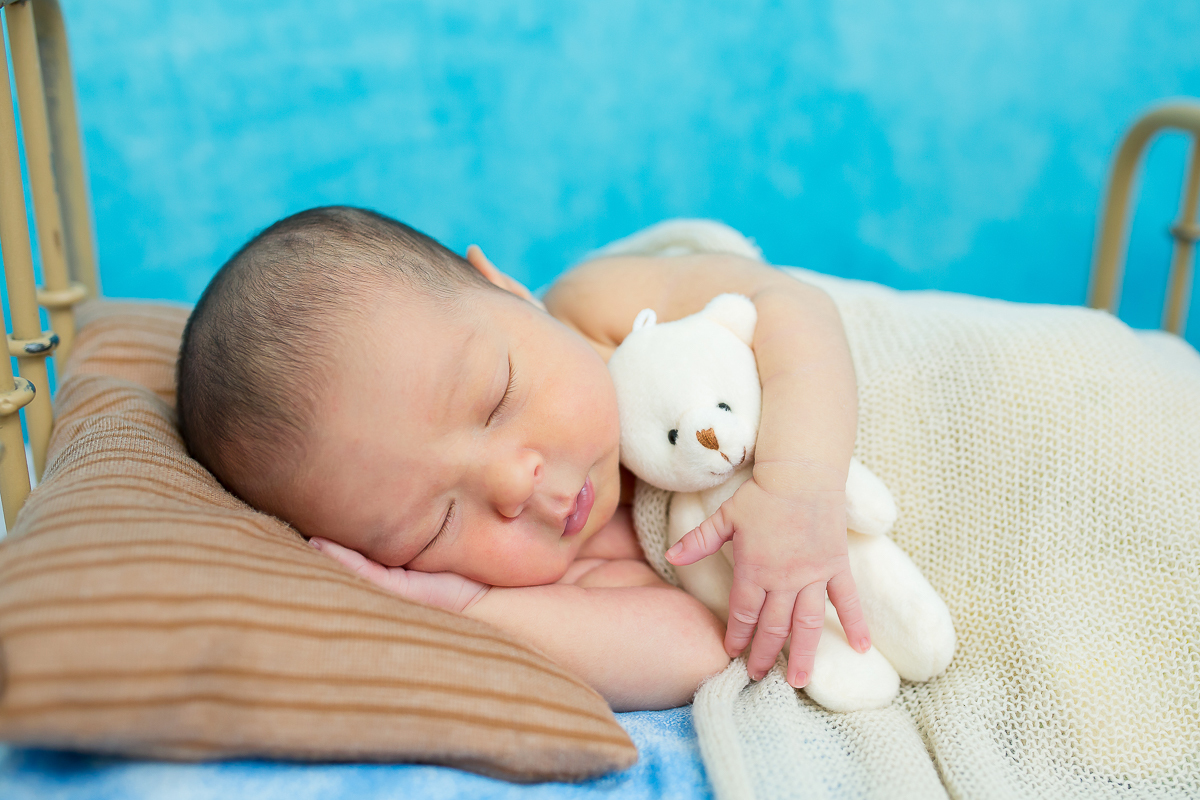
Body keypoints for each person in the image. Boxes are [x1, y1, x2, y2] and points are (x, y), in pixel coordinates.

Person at [176, 206, 873, 711]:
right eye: (436, 524)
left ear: (508, 291)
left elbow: (787, 306)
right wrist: (473, 607)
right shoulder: (566, 573)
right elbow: (702, 648)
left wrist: (799, 487)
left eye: (494, 397)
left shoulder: (597, 311)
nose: (512, 486)